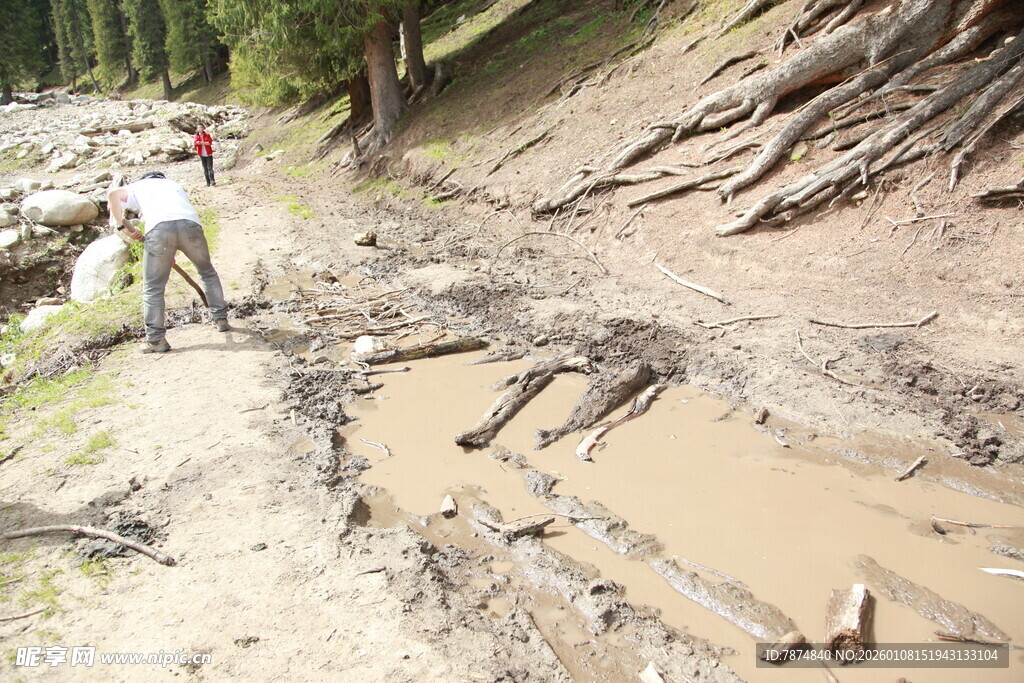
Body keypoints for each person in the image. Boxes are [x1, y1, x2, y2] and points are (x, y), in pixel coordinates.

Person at [107, 171, 229, 353]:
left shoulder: (137, 186)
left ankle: (156, 340)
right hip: (190, 225)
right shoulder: (174, 185)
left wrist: (122, 225)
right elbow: (176, 218)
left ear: (145, 178)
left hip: (159, 230)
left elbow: (112, 195)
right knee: (207, 272)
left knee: (153, 287)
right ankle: (220, 319)